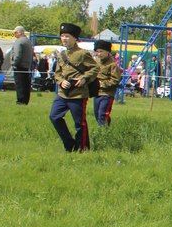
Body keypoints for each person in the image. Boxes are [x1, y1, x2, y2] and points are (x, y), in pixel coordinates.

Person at [48, 23, 98, 152]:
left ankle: (83, 148)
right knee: (54, 116)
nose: (64, 38)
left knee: (79, 123)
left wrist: (84, 78)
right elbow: (57, 73)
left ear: (75, 38)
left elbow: (94, 68)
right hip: (63, 93)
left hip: (78, 94)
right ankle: (70, 144)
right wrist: (61, 81)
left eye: (67, 36)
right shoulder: (61, 54)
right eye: (62, 36)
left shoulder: (82, 53)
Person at [92, 39, 121, 127]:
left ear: (107, 52)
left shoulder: (113, 65)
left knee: (103, 114)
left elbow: (115, 80)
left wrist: (101, 84)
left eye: (101, 51)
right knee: (97, 114)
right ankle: (106, 129)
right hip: (96, 93)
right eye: (97, 51)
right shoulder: (96, 62)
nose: (99, 54)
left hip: (107, 94)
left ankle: (103, 134)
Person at [8, 26, 34, 105]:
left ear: (20, 32)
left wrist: (13, 63)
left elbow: (17, 55)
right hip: (27, 66)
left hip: (19, 66)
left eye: (15, 32)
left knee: (20, 85)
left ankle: (20, 101)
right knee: (26, 85)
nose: (14, 34)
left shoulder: (19, 41)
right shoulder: (28, 41)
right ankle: (25, 101)